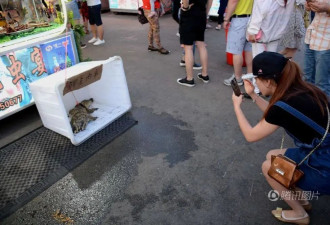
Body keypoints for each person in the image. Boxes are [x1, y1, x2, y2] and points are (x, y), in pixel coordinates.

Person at [232, 51, 330, 225]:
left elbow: (250, 135)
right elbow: (275, 114)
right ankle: (303, 200)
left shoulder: (284, 105)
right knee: (272, 154)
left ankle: (300, 214)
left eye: (257, 80)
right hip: (322, 151)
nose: (256, 84)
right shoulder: (300, 90)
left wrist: (237, 107)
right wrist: (254, 95)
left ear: (269, 81)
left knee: (269, 167)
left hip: (325, 165)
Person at [176, 0, 213, 87]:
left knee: (188, 47)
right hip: (201, 13)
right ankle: (204, 74)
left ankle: (189, 79)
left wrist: (185, 7)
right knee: (201, 44)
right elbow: (210, 1)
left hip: (189, 13)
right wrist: (205, 13)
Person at [222, 0, 253, 88]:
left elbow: (233, 1)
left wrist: (226, 18)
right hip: (252, 19)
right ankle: (249, 77)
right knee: (249, 49)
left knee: (236, 51)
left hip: (239, 19)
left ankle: (237, 77)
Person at [304, 0, 330, 96]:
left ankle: (323, 110)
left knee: (322, 84)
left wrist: (327, 8)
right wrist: (309, 5)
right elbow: (308, 7)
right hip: (311, 37)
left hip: (326, 41)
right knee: (307, 80)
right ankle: (310, 107)